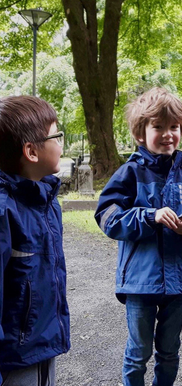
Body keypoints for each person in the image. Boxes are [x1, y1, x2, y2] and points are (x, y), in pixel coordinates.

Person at [94, 87, 182, 386]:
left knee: (170, 351)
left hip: (179, 281)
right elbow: (107, 216)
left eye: (174, 127)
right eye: (157, 127)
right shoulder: (129, 172)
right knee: (138, 352)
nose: (167, 134)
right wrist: (150, 215)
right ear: (140, 133)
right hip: (139, 281)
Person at [0, 96, 70, 386]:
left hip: (42, 342)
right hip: (13, 357)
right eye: (57, 134)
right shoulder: (5, 210)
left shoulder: (46, 200)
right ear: (31, 151)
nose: (62, 141)